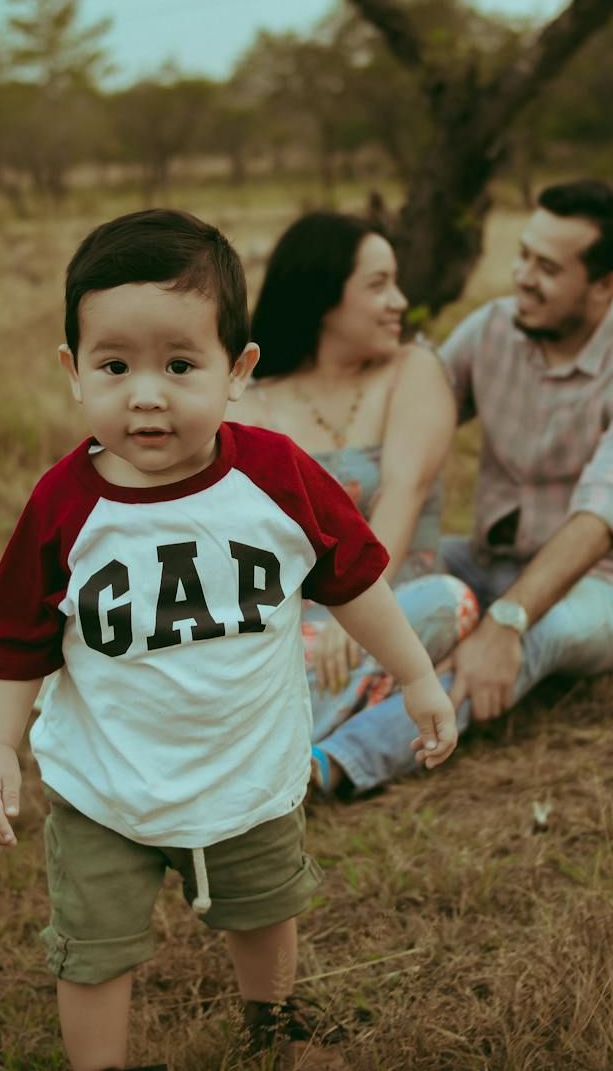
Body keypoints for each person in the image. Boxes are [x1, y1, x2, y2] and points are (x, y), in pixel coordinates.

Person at [0, 209, 458, 1071]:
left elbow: (355, 584)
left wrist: (417, 677)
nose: (146, 394)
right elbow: (14, 644)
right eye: (115, 366)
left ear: (239, 371)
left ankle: (273, 1021)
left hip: (246, 769)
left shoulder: (276, 476)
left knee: (264, 908)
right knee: (93, 946)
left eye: (181, 365)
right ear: (74, 371)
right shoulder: (64, 505)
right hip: (105, 784)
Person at [299, 180, 613, 795]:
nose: (522, 277)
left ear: (606, 286)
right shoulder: (493, 330)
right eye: (524, 255)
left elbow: (599, 519)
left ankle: (325, 767)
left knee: (525, 637)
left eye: (548, 269)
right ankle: (288, 699)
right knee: (387, 574)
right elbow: (416, 414)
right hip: (486, 557)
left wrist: (507, 620)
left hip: (606, 585)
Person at [227, 211, 480, 798]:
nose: (399, 301)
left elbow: (404, 489)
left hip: (396, 607)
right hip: (289, 626)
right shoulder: (249, 403)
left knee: (451, 601)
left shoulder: (413, 371)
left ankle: (247, 752)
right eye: (378, 284)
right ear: (323, 296)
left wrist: (358, 606)